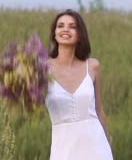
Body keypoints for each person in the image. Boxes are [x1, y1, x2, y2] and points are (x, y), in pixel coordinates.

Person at [45, 9, 113, 160]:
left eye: (72, 26)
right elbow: (29, 104)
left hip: (96, 147)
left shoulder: (93, 66)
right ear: (54, 33)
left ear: (80, 34)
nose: (65, 30)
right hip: (63, 148)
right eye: (60, 25)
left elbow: (99, 110)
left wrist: (108, 146)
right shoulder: (41, 69)